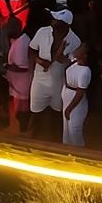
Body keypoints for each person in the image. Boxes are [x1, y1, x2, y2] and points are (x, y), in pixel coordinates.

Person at [29, 8, 81, 140]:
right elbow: (31, 50)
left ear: (65, 25)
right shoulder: (42, 31)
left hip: (59, 83)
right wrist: (38, 61)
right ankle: (32, 139)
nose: (53, 21)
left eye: (56, 20)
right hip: (39, 80)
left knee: (57, 114)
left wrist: (62, 55)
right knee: (35, 111)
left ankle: (55, 141)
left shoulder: (75, 41)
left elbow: (70, 63)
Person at [4, 15, 33, 132]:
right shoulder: (19, 39)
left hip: (22, 83)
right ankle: (23, 128)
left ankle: (24, 129)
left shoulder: (22, 44)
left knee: (22, 109)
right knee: (18, 108)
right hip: (18, 82)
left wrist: (7, 67)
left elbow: (23, 68)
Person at [62, 44, 93, 146]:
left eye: (80, 49)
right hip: (67, 98)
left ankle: (80, 153)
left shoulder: (85, 71)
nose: (77, 49)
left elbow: (80, 93)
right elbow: (61, 58)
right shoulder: (74, 62)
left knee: (74, 130)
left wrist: (69, 108)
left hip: (76, 104)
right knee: (66, 131)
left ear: (85, 55)